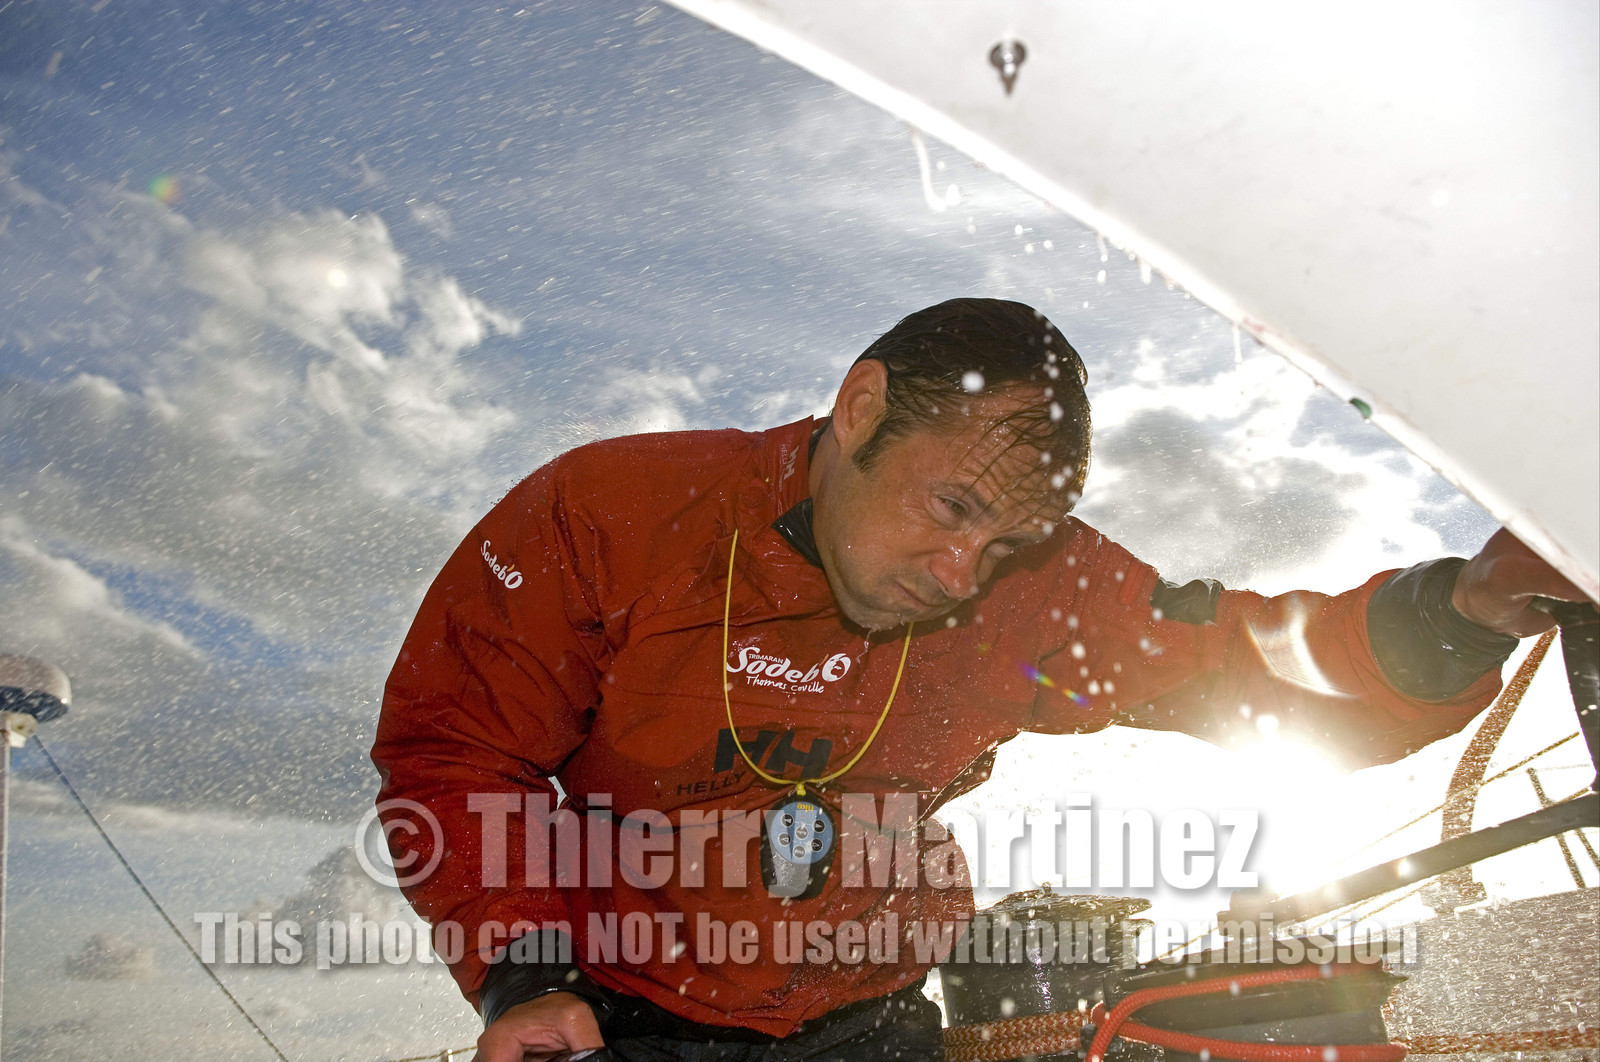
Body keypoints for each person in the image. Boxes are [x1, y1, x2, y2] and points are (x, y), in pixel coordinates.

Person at [371, 298, 1587, 1062]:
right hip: (614, 1009)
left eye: (1003, 542)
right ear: (859, 410)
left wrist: (1462, 610)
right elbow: (456, 755)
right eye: (948, 508)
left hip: (874, 1016)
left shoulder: (1036, 588)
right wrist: (522, 977)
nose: (960, 573)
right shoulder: (612, 512)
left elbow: (1240, 657)